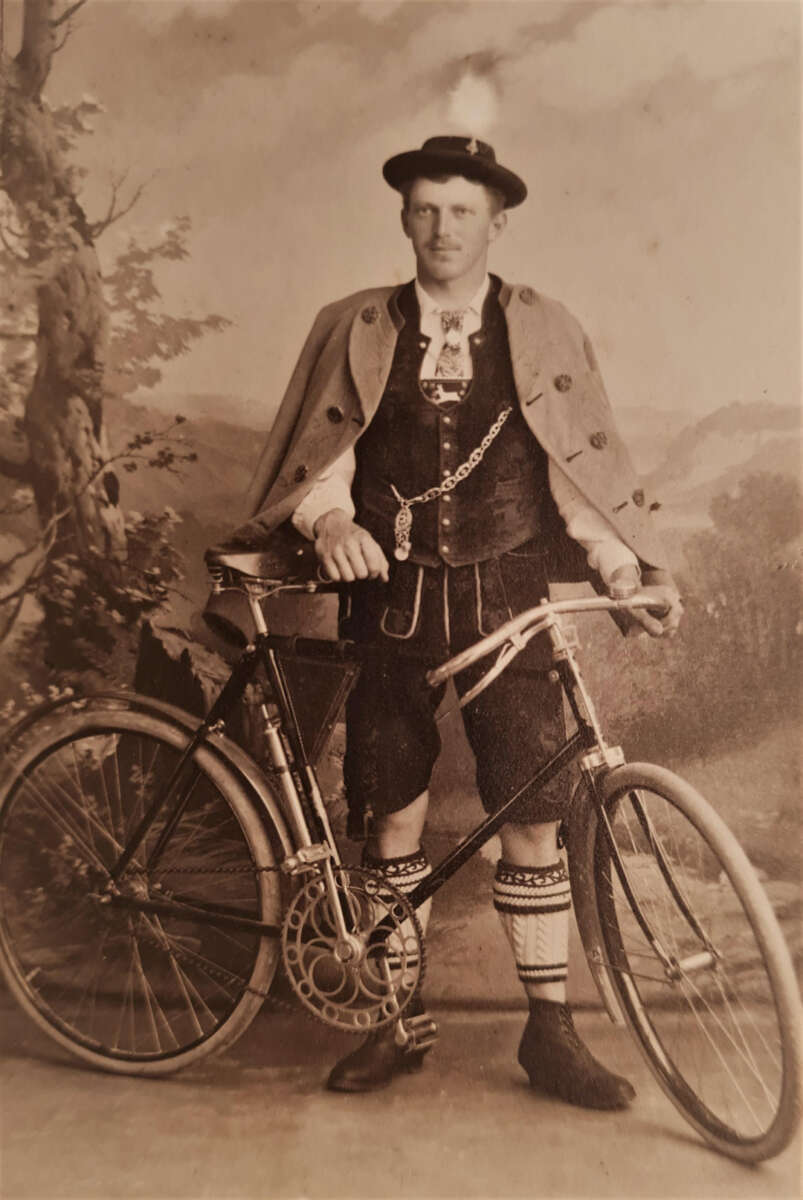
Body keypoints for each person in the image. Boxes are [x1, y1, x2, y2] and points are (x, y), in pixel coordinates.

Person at [215, 136, 683, 1108]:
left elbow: (578, 471)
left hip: (509, 602)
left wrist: (617, 566)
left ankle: (549, 1034)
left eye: (461, 211)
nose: (441, 228)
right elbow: (322, 457)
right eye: (424, 209)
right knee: (390, 810)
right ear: (403, 218)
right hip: (387, 607)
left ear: (495, 223)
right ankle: (394, 1021)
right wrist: (330, 523)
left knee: (533, 817)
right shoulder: (356, 328)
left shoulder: (542, 330)